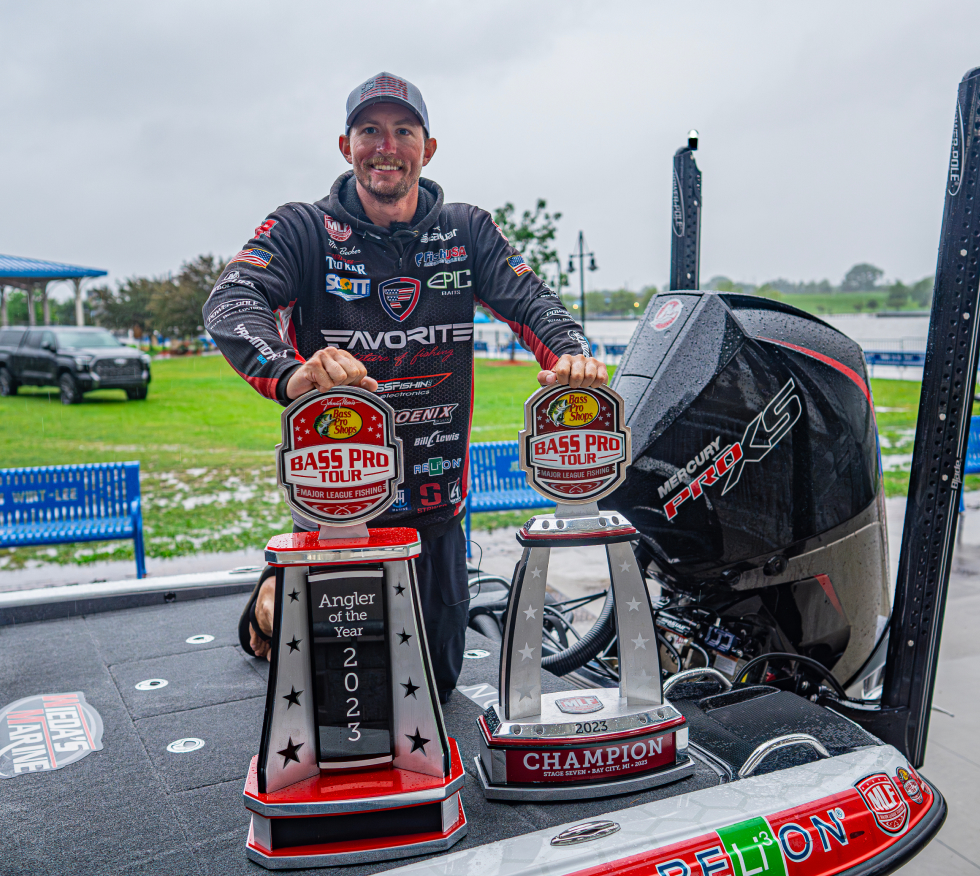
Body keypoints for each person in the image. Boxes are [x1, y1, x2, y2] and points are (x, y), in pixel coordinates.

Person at [203, 71, 607, 702]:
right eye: (369, 131)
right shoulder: (303, 229)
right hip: (340, 505)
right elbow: (232, 300)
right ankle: (271, 598)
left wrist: (574, 356)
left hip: (436, 503)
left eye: (402, 131)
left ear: (428, 147)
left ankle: (283, 588)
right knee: (344, 697)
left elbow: (533, 301)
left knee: (436, 686)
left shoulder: (468, 229)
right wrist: (291, 373)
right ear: (346, 146)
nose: (385, 145)